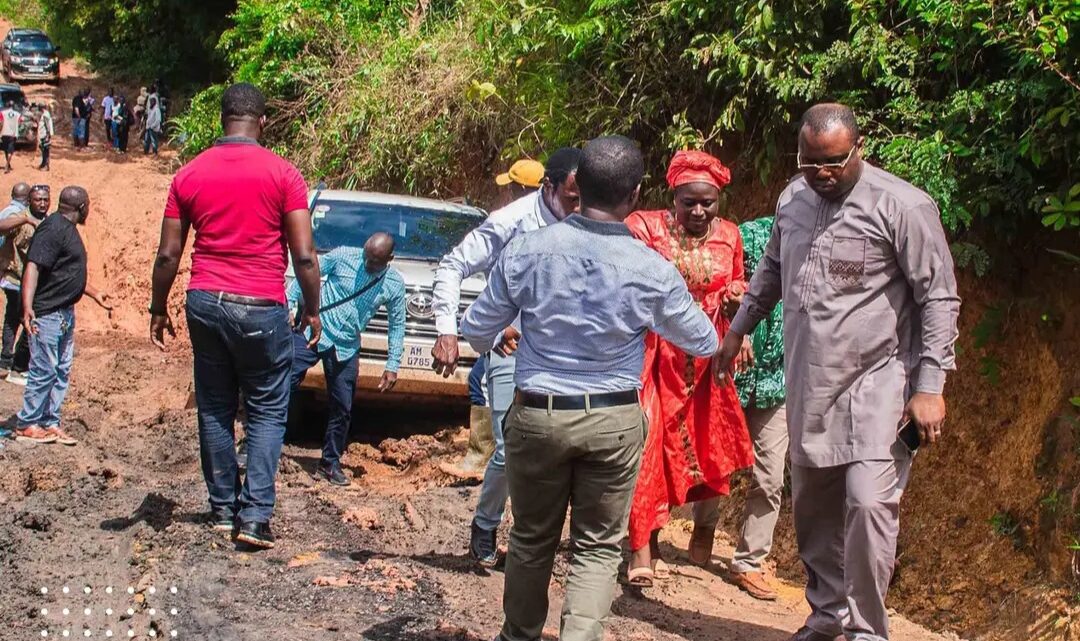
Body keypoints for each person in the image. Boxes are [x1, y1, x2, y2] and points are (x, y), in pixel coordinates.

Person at [715, 103, 961, 641]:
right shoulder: (792, 200)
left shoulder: (903, 206)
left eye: (834, 163)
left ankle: (868, 632)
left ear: (859, 149)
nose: (822, 175)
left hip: (880, 385)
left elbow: (938, 298)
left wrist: (930, 385)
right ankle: (828, 615)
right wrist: (738, 330)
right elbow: (771, 271)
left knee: (870, 506)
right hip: (810, 385)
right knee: (815, 510)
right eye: (810, 163)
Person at [461, 135, 719, 641]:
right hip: (613, 420)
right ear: (636, 194)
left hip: (537, 414)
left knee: (532, 539)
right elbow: (703, 339)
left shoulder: (529, 250)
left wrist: (517, 329)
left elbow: (475, 329)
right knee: (599, 547)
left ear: (578, 186)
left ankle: (518, 636)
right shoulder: (651, 269)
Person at [150, 82, 322, 550]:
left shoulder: (188, 174)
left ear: (222, 120)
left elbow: (168, 255)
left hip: (205, 301)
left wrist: (157, 307)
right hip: (261, 306)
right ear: (262, 121)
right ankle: (255, 518)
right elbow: (304, 257)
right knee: (267, 412)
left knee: (215, 408)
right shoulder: (284, 174)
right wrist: (312, 308)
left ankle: (223, 510)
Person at [431, 147, 582, 566]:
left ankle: (534, 540)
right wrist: (448, 329)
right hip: (510, 346)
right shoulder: (511, 223)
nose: (580, 207)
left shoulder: (593, 221)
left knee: (560, 447)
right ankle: (486, 522)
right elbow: (452, 266)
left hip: (567, 354)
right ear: (548, 188)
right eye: (572, 199)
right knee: (509, 447)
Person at [622, 150, 753, 586]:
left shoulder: (730, 236)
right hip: (655, 352)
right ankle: (642, 544)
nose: (698, 211)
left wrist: (737, 315)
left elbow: (738, 285)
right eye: (688, 202)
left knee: (707, 444)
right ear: (672, 197)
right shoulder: (644, 228)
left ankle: (704, 526)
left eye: (708, 203)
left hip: (707, 358)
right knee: (648, 442)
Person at [690, 214, 788, 601]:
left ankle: (749, 562)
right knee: (717, 460)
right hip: (732, 372)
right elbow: (713, 279)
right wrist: (733, 313)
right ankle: (704, 524)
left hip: (779, 380)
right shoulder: (748, 235)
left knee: (770, 476)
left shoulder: (827, 244)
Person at [287, 232, 406, 486]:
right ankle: (255, 444)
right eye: (366, 257)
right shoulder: (343, 256)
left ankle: (329, 463)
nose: (367, 264)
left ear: (390, 259)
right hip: (314, 331)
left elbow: (397, 324)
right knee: (281, 385)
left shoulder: (394, 284)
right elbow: (306, 271)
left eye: (375, 261)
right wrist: (290, 303)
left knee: (342, 407)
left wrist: (392, 364)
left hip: (346, 346)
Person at [14, 186, 112, 445]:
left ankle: (49, 420)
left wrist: (94, 293)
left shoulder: (66, 230)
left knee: (60, 370)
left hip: (64, 313)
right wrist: (27, 307)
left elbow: (65, 273)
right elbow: (33, 266)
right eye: (88, 205)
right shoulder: (54, 228)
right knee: (44, 369)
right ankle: (28, 423)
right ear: (82, 207)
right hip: (47, 314)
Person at [1, 183, 49, 385]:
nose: (43, 203)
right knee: (24, 318)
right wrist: (25, 218)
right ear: (29, 200)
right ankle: (17, 366)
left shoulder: (48, 222)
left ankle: (8, 361)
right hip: (16, 279)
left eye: (46, 199)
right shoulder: (20, 218)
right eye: (38, 199)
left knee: (16, 318)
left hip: (35, 282)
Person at [1, 100, 21, 172]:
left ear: (7, 105)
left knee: (6, 150)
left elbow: (1, 122)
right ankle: (7, 165)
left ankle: (7, 165)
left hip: (4, 133)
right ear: (13, 106)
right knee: (10, 151)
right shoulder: (17, 114)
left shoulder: (2, 113)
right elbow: (19, 123)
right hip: (13, 134)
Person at [37, 102, 53, 171]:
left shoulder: (45, 115)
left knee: (46, 150)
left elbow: (47, 126)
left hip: (45, 135)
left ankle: (46, 166)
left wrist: (48, 135)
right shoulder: (44, 114)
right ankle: (43, 163)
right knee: (43, 149)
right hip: (42, 134)